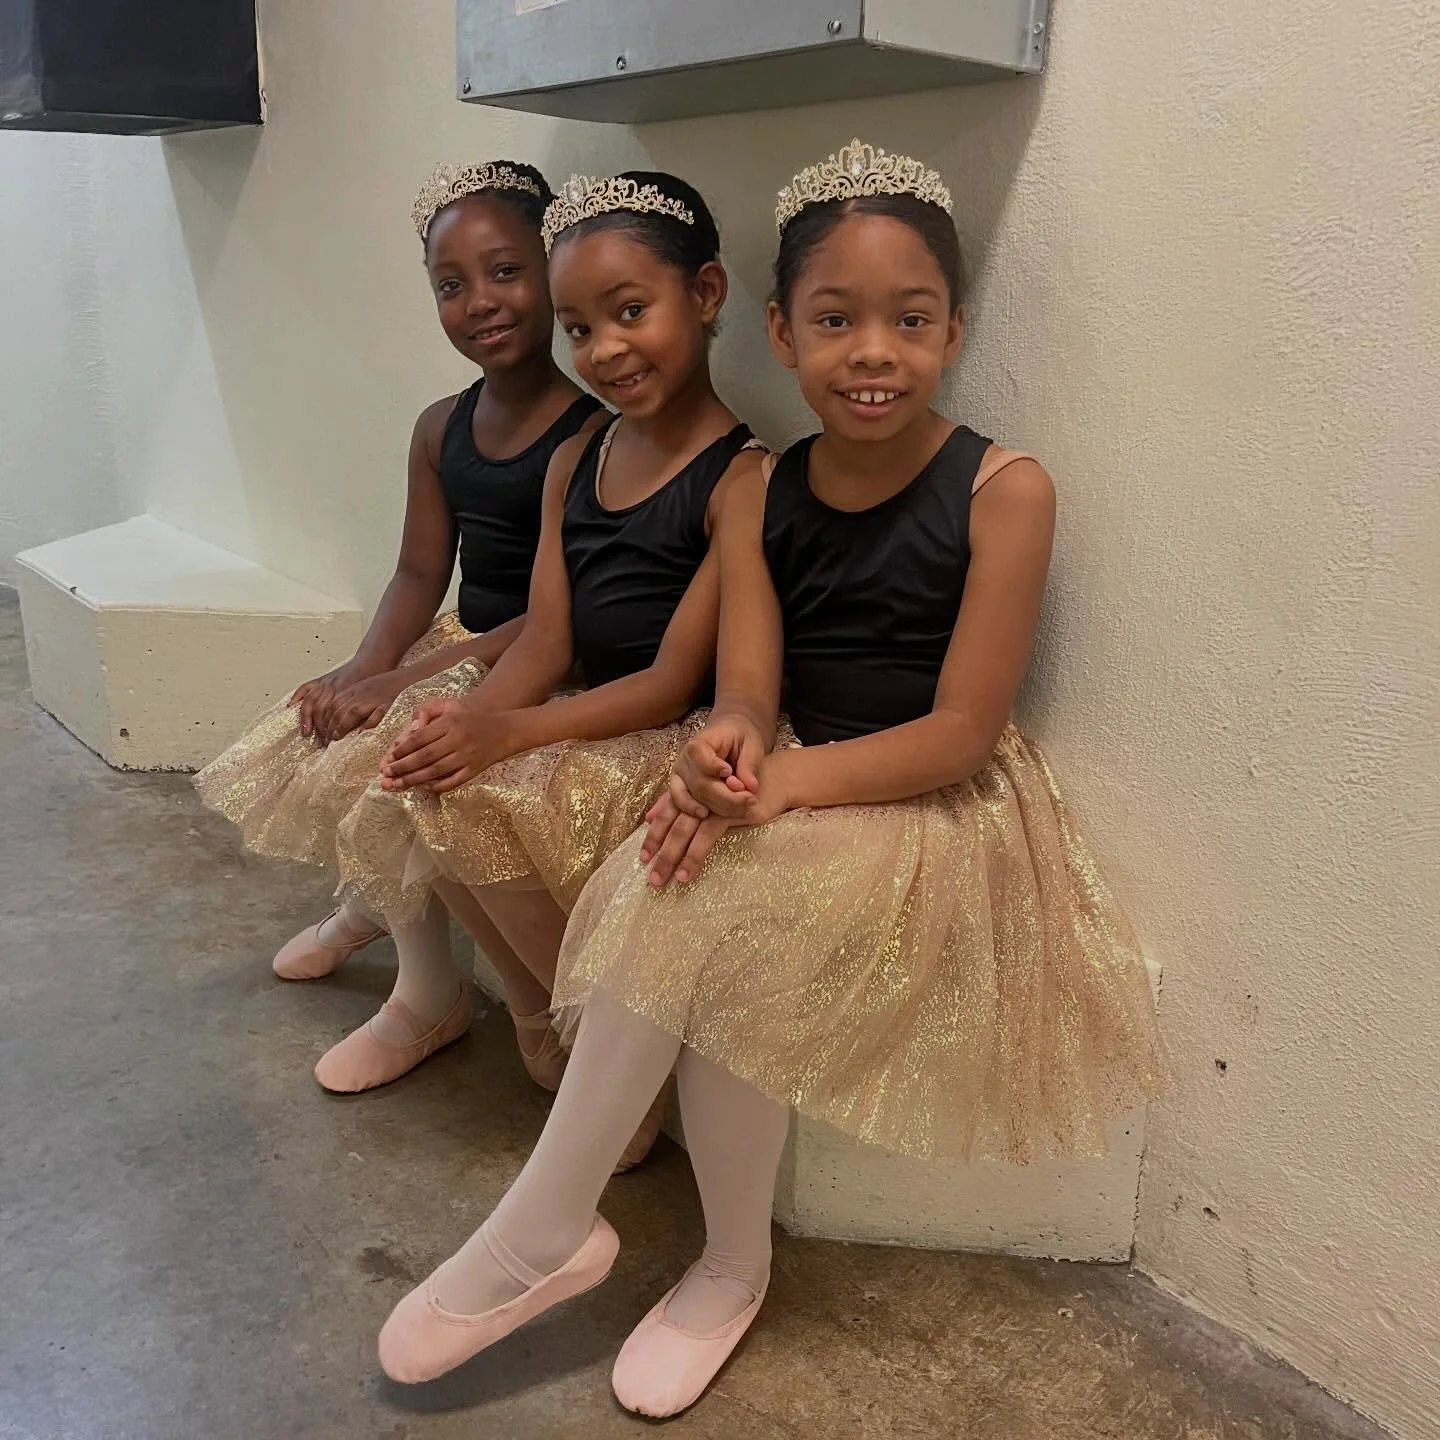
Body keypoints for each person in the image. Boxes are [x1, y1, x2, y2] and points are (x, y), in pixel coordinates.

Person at [371, 140, 1165, 1419]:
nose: (872, 352)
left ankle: (587, 1240)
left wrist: (786, 787)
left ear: (954, 329)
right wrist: (731, 742)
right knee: (669, 871)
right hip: (794, 770)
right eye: (837, 320)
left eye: (909, 321)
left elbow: (963, 729)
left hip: (926, 798)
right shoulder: (756, 487)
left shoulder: (1007, 492)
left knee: (711, 906)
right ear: (783, 334)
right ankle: (687, 1254)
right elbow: (746, 685)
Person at [322, 172, 766, 1121]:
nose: (605, 350)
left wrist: (513, 733)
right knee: (431, 773)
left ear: (708, 294)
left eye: (630, 312)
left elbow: (669, 678)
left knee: (485, 786)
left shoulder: (744, 475)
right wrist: (470, 719)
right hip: (575, 693)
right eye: (579, 328)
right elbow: (551, 631)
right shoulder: (580, 455)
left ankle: (612, 1075)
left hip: (653, 725)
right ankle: (544, 1022)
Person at [194, 161, 605, 1086]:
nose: (480, 302)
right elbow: (421, 570)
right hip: (457, 636)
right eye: (450, 286)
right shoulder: (438, 427)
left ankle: (414, 978)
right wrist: (362, 668)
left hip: (533, 652)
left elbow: (558, 613)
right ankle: (416, 970)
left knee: (400, 756)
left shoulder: (590, 433)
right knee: (331, 729)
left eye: (505, 271)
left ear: (553, 272)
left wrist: (401, 685)